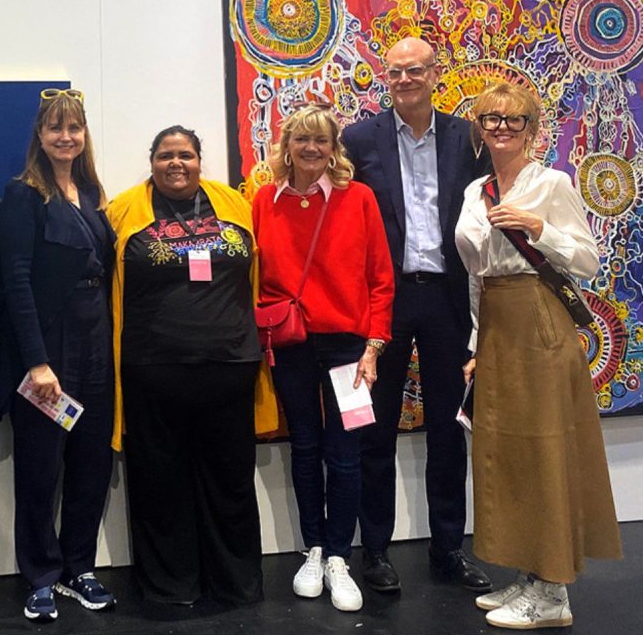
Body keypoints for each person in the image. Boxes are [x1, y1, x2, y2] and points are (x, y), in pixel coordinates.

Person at [454, 82, 621, 629]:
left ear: (533, 128)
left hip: (540, 320)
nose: (502, 128)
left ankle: (555, 592)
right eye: (491, 119)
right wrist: (477, 345)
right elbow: (477, 278)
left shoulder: (552, 183)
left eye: (514, 120)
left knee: (546, 449)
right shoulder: (476, 190)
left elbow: (588, 260)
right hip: (499, 325)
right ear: (480, 127)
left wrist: (538, 227)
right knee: (510, 453)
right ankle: (532, 572)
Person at [343, 36, 492, 594]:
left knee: (450, 431)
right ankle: (376, 552)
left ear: (435, 74)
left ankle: (449, 548)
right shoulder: (358, 138)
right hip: (384, 298)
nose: (405, 79)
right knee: (374, 428)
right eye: (396, 71)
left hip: (449, 298)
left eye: (415, 70)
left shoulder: (467, 137)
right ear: (387, 78)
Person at [106, 125, 278, 608]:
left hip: (228, 369)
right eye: (165, 156)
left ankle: (235, 584)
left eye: (185, 155)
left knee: (230, 483)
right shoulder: (122, 211)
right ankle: (169, 588)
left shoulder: (235, 204)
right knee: (160, 486)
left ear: (200, 160)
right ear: (152, 161)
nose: (175, 163)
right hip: (152, 372)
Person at [252, 103, 394, 613]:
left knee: (346, 452)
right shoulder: (265, 200)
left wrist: (374, 346)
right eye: (301, 139)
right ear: (286, 146)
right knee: (306, 448)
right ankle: (312, 548)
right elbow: (255, 274)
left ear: (334, 148)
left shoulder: (359, 199)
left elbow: (381, 277)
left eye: (321, 140)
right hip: (290, 343)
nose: (311, 149)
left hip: (347, 346)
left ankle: (339, 556)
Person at [0, 89, 116, 622]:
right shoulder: (25, 194)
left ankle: (78, 567)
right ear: (39, 137)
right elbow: (16, 281)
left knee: (92, 463)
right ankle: (41, 573)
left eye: (74, 128)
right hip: (49, 346)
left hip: (96, 343)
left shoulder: (89, 193)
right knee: (41, 469)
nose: (65, 137)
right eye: (55, 129)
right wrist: (36, 361)